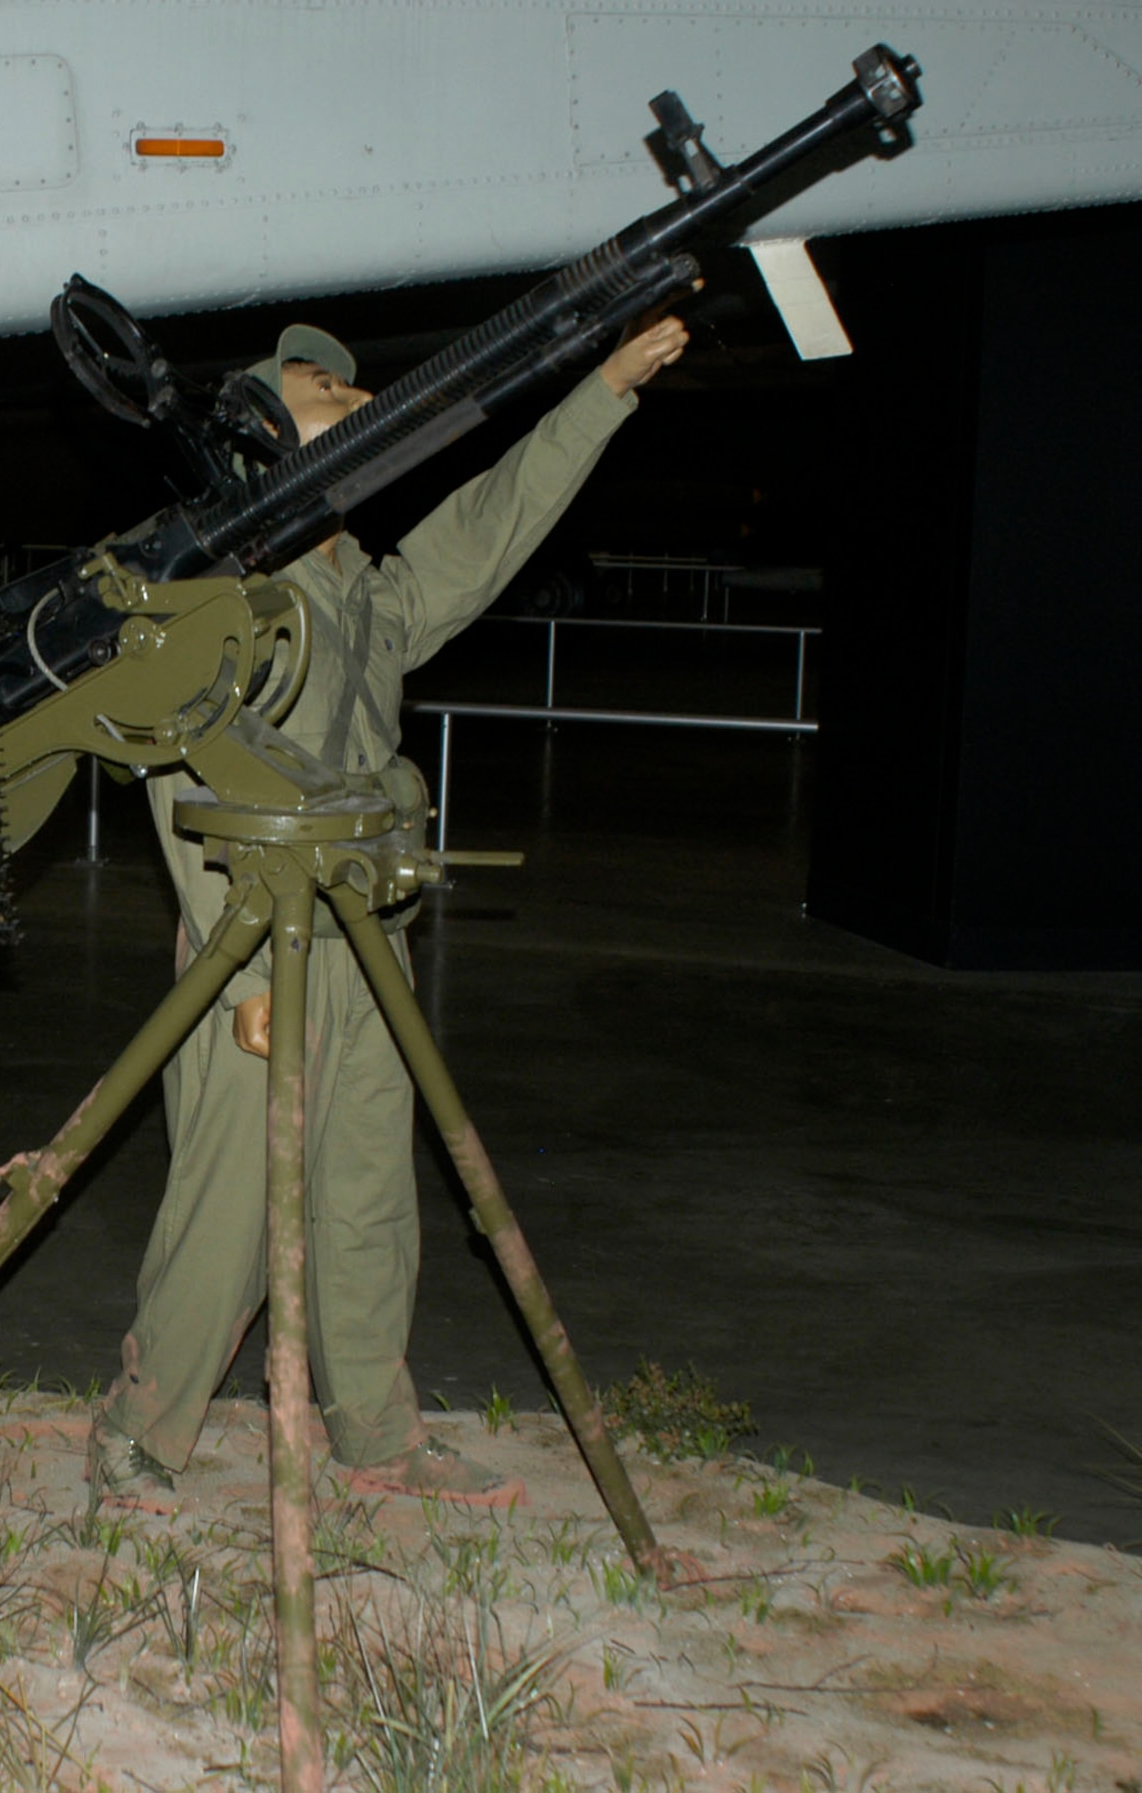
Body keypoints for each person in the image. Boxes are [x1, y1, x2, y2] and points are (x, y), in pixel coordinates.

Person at [92, 315, 688, 1506]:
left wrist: (601, 392)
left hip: (366, 930)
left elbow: (483, 529)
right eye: (322, 384)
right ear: (263, 429)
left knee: (367, 1187)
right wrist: (244, 970)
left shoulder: (354, 584)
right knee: (230, 1207)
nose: (356, 388)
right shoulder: (226, 586)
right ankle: (138, 1434)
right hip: (255, 937)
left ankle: (373, 1437)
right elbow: (178, 775)